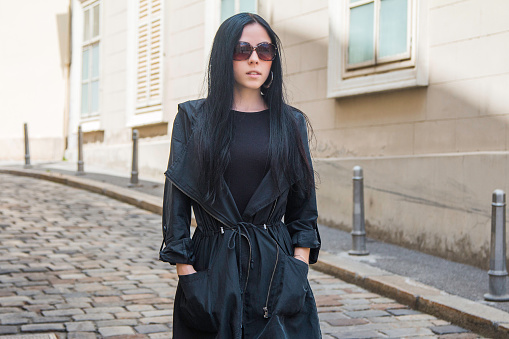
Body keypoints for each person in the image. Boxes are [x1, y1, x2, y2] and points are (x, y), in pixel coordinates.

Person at [159, 12, 321, 339]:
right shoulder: (192, 119)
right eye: (242, 49)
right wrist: (187, 273)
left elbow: (304, 208)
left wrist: (298, 267)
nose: (254, 59)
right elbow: (175, 207)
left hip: (276, 270)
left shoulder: (290, 123)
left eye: (265, 50)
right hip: (211, 266)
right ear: (224, 56)